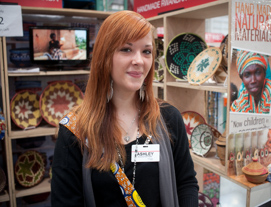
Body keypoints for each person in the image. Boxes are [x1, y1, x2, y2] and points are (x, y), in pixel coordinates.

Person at [51, 10, 198, 207]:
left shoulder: (168, 118)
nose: (139, 60)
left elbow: (186, 182)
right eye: (126, 49)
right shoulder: (75, 131)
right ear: (105, 56)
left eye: (146, 51)